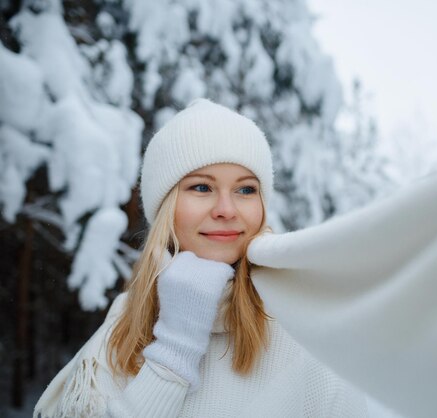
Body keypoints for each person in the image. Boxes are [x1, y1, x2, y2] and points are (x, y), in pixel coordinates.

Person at [34, 99, 369, 417]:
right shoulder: (123, 321)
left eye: (245, 189)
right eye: (201, 188)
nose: (226, 210)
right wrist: (173, 353)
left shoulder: (305, 327)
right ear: (166, 208)